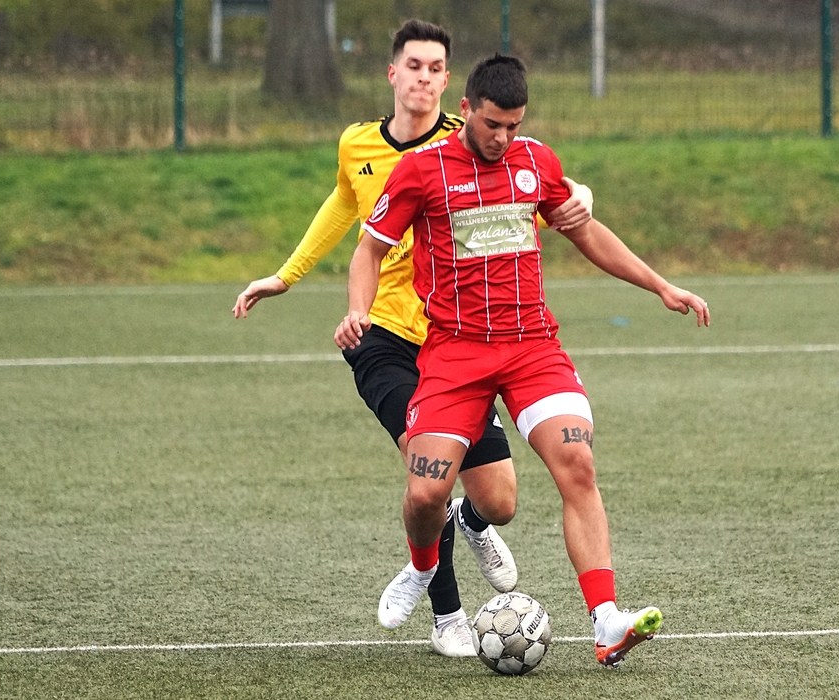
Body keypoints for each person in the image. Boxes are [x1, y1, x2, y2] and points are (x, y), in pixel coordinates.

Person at [336, 54, 711, 667]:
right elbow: (369, 251)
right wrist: (358, 309)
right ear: (466, 109)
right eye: (492, 124)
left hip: (533, 346)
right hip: (455, 352)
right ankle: (423, 566)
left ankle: (607, 620)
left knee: (578, 465)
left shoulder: (536, 162)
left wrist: (661, 285)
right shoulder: (422, 171)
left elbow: (585, 231)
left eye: (513, 125)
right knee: (426, 493)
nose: (502, 138)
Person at [233, 22, 594, 657]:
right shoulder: (357, 144)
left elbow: (542, 180)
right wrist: (287, 276)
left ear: (450, 83)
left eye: (435, 68)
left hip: (458, 342)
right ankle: (446, 615)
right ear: (392, 73)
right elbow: (342, 209)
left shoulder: (476, 138)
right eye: (414, 65)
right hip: (387, 338)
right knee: (429, 476)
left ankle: (471, 524)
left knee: (500, 500)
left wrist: (581, 196)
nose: (424, 77)